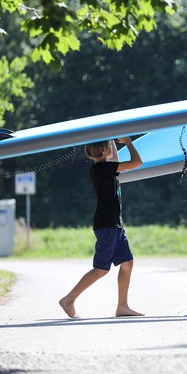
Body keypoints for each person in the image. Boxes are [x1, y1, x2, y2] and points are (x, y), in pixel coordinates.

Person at [59, 137, 144, 319]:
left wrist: (112, 136)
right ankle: (68, 300)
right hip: (107, 226)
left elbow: (114, 161)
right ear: (104, 150)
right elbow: (137, 162)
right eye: (108, 145)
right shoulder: (104, 169)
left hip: (114, 225)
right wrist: (128, 142)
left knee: (127, 263)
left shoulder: (103, 168)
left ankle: (122, 306)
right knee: (101, 269)